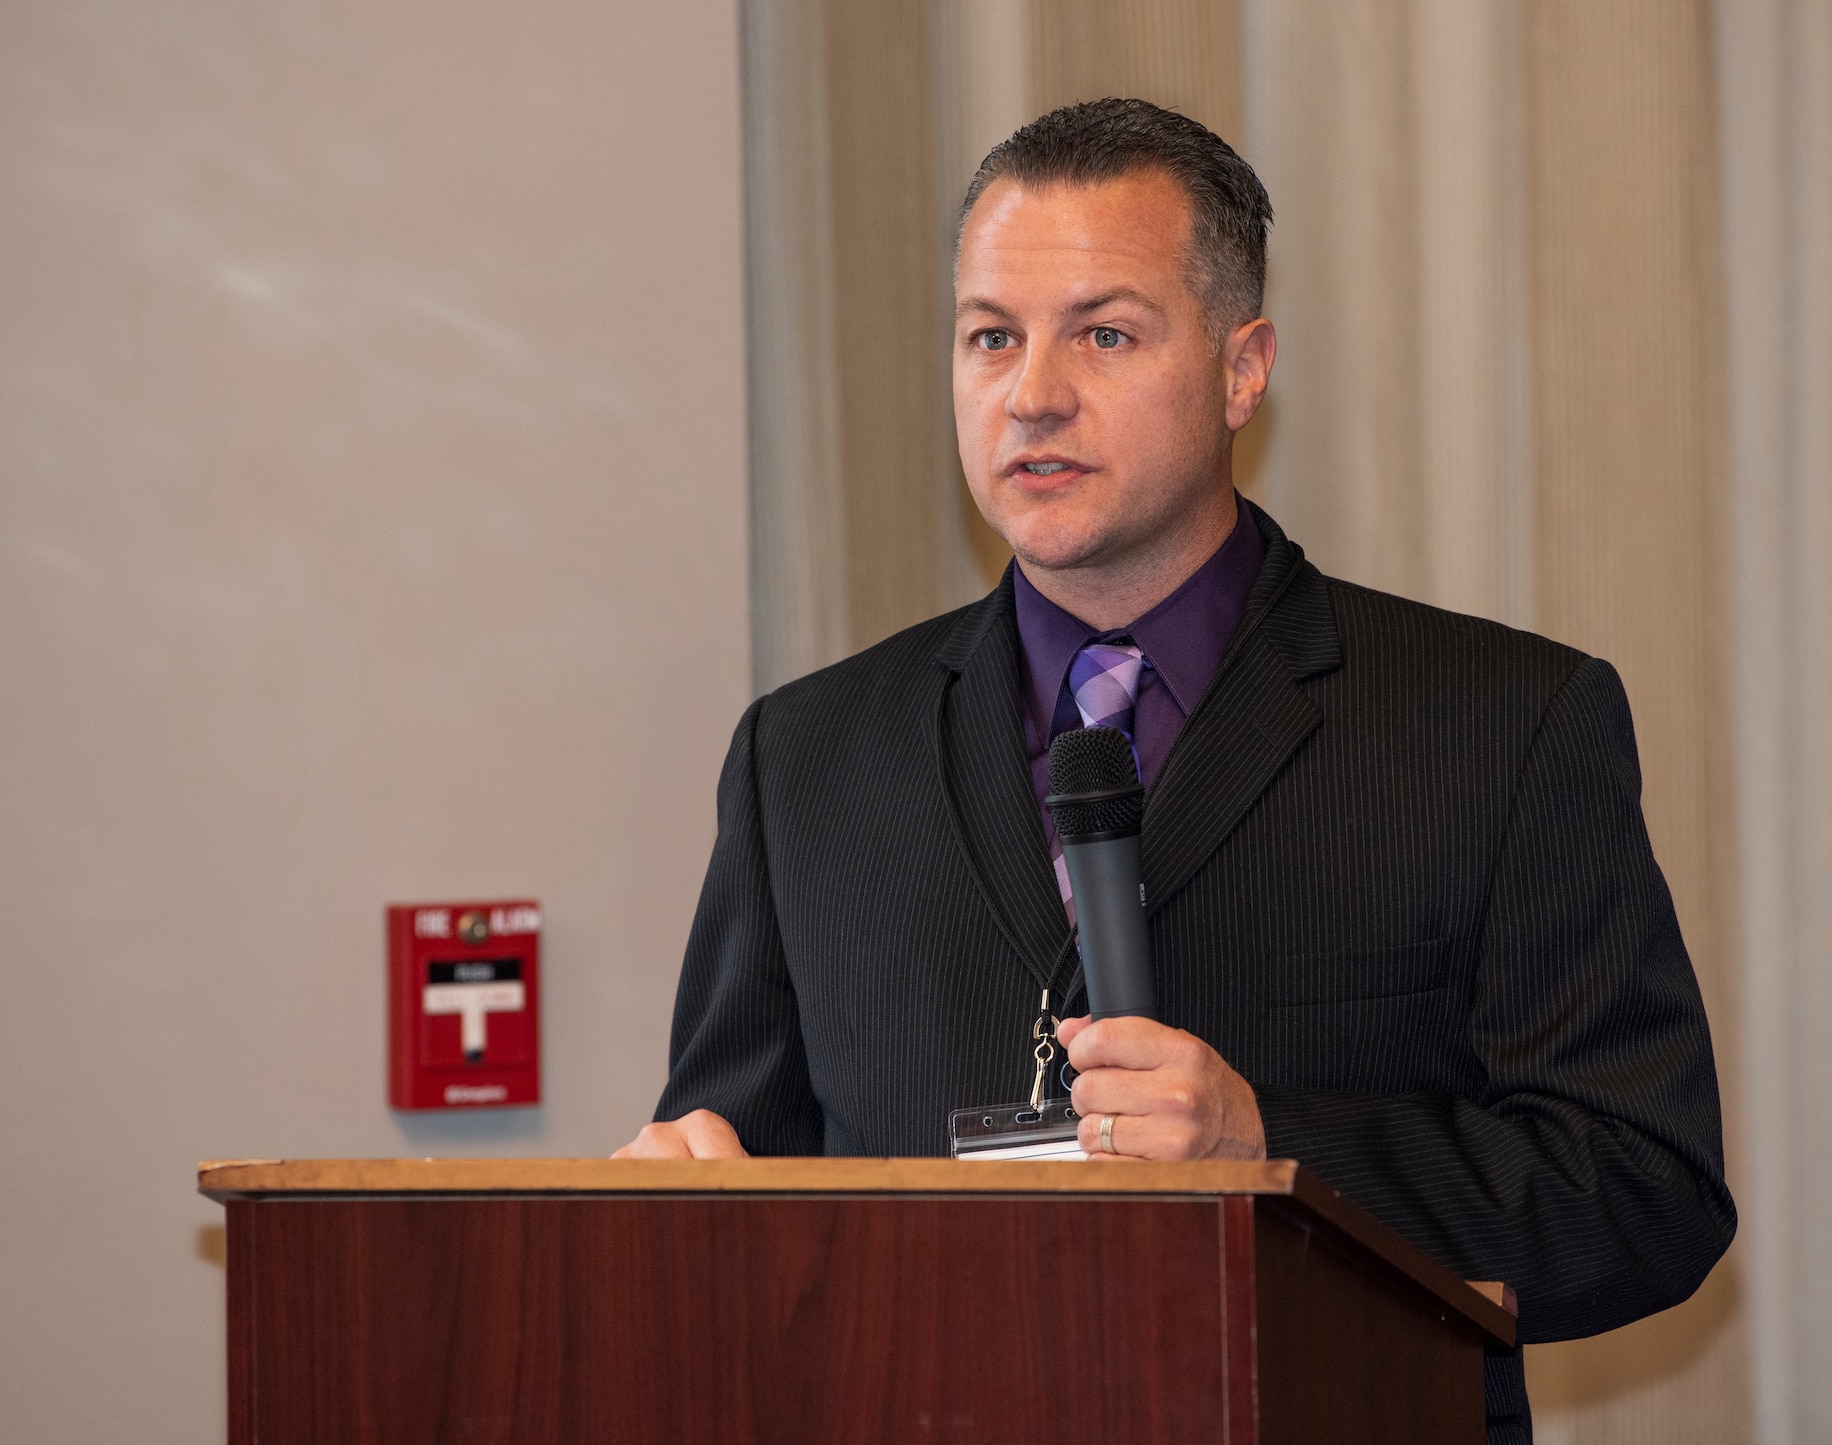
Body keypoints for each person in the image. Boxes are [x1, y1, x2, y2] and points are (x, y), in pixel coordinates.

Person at [617, 98, 1734, 1443]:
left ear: (1242, 367)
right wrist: (675, 1208)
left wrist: (1270, 1149)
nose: (1032, 392)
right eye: (990, 337)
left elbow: (1643, 1190)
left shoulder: (1503, 724)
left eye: (1104, 332)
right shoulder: (804, 758)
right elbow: (738, 1168)